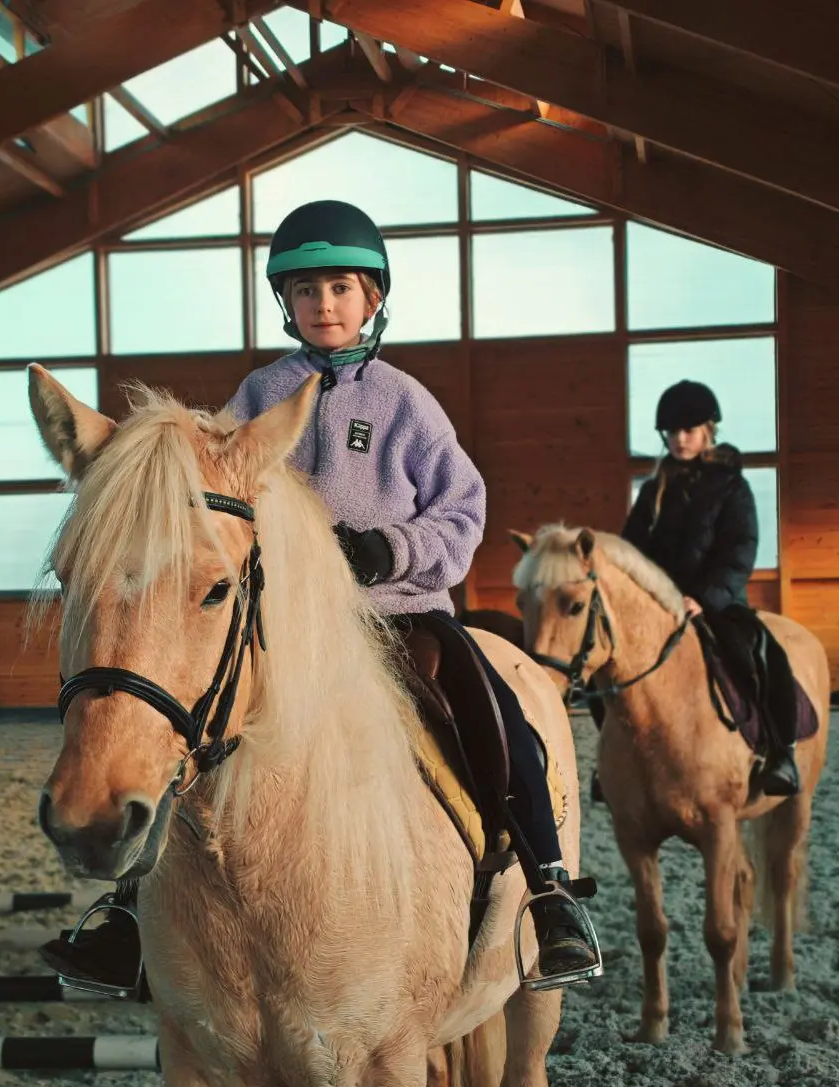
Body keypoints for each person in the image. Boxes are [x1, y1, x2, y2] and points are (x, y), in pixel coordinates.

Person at [42, 200, 600, 993]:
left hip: (399, 614)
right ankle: (130, 912)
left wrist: (391, 549)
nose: (324, 304)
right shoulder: (260, 394)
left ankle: (548, 890)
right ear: (287, 303)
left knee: (496, 711)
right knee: (193, 734)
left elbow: (463, 509)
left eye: (340, 288)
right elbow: (213, 494)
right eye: (306, 291)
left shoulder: (405, 402)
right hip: (286, 625)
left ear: (373, 298)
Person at [589, 379, 798, 798]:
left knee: (759, 654)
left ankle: (779, 753)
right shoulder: (653, 490)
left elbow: (740, 550)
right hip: (659, 610)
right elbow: (632, 553)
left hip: (715, 603)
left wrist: (704, 598)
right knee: (601, 670)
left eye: (688, 430)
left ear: (707, 430)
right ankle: (612, 758)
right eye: (672, 432)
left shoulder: (732, 487)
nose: (679, 439)